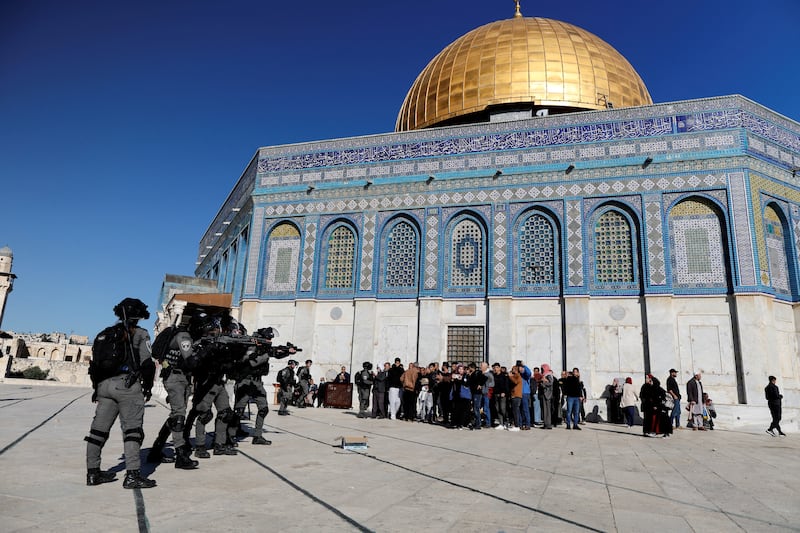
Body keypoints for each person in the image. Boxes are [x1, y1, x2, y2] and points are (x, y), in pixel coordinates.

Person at [85, 298, 157, 488]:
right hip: (127, 386)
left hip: (104, 386)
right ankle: (132, 475)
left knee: (97, 432)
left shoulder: (105, 334)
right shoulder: (141, 334)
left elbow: (95, 366)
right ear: (139, 315)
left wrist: (96, 389)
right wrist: (147, 386)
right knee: (132, 430)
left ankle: (93, 473)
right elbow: (147, 363)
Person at [147, 323, 199, 469]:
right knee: (178, 416)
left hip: (181, 377)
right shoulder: (183, 336)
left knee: (176, 415)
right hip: (175, 377)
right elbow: (190, 360)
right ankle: (181, 455)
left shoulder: (184, 336)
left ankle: (156, 450)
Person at [467, 362, 487, 429]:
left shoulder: (477, 373)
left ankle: (478, 424)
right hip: (473, 393)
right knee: (474, 408)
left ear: (472, 368)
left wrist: (480, 384)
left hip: (477, 393)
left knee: (476, 408)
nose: (469, 369)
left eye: (469, 368)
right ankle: (476, 422)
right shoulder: (472, 374)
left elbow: (484, 378)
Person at [492, 363, 508, 429]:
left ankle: (506, 422)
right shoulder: (494, 376)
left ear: (499, 368)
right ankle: (501, 423)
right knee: (497, 409)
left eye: (496, 367)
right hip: (496, 394)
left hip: (502, 394)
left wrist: (504, 392)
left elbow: (506, 385)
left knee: (502, 409)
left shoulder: (504, 376)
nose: (495, 369)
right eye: (494, 368)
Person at [539, 363, 555, 430]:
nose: (541, 370)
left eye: (542, 369)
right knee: (545, 410)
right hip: (545, 394)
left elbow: (550, 383)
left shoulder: (548, 375)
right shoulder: (546, 375)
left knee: (547, 410)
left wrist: (543, 383)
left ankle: (547, 424)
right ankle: (546, 423)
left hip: (547, 394)